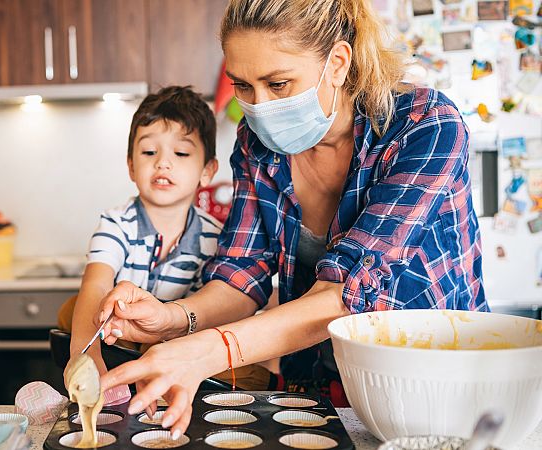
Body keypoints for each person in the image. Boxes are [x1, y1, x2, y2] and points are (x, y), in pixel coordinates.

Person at [94, 0, 488, 438]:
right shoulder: (256, 144)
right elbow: (241, 275)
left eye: (278, 83)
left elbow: (346, 295)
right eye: (242, 85)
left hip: (431, 384)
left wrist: (205, 352)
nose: (258, 106)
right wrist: (172, 318)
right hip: (316, 384)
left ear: (337, 63)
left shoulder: (426, 127)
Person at [58, 86, 275, 405]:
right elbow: (96, 283)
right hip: (120, 345)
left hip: (186, 353)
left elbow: (222, 312)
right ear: (131, 165)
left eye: (181, 153)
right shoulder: (116, 224)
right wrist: (84, 353)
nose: (163, 164)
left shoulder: (219, 237)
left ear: (207, 171)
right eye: (149, 153)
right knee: (74, 307)